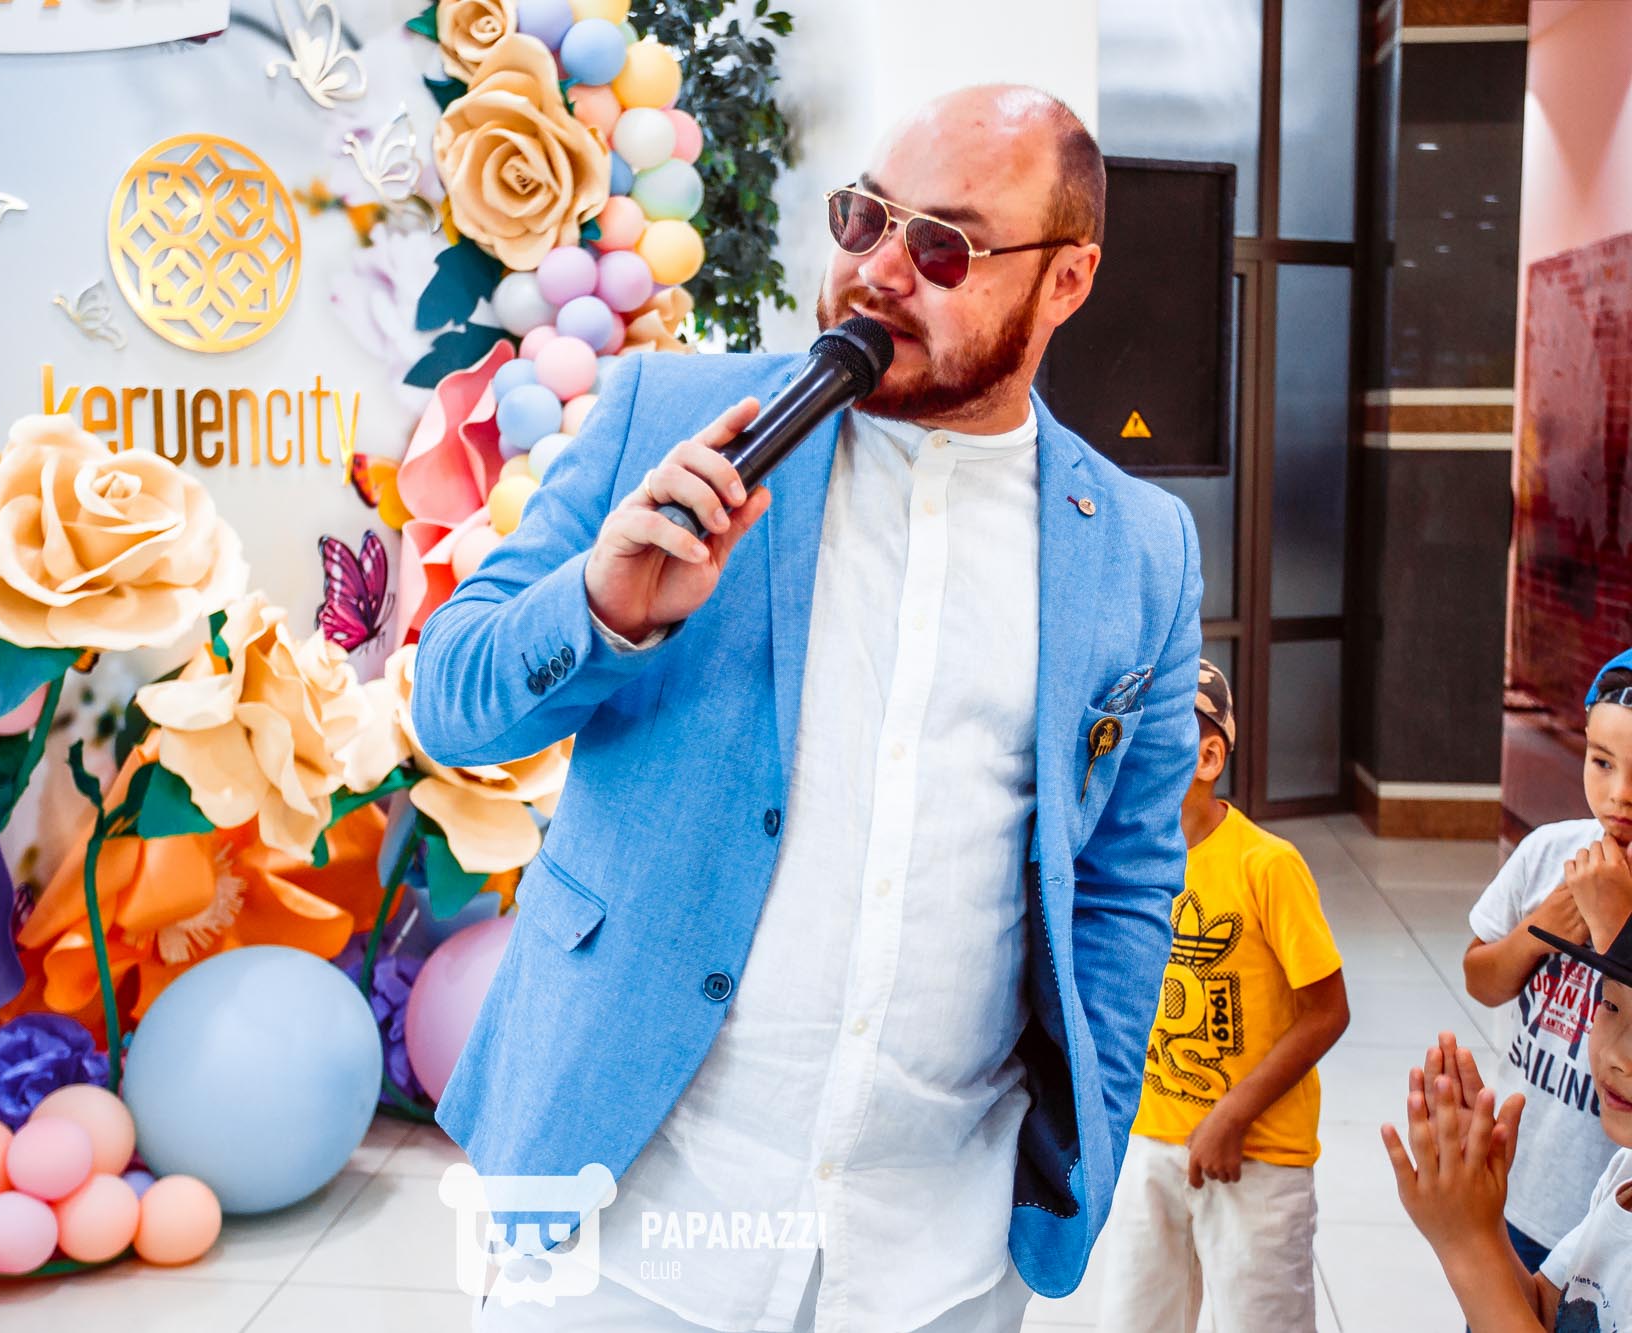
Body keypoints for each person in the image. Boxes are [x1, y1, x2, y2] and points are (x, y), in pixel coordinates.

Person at [412, 84, 1205, 1332]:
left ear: (1065, 281)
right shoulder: (668, 419)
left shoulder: (1140, 551)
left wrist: (1080, 1154)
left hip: (934, 1252)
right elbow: (452, 704)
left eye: (940, 248)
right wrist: (604, 606)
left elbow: (1123, 878)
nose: (877, 270)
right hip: (626, 1212)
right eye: (863, 218)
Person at [1097, 660, 1350, 1331]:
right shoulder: (1125, 860)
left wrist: (1232, 1116)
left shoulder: (1267, 865)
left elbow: (1328, 1012)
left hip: (1257, 1154)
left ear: (1208, 757)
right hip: (1147, 1140)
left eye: (1156, 741)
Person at [1458, 650, 1632, 1274]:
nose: (1620, 794)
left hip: (1613, 1215)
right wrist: (1539, 933)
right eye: (1602, 762)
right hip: (1521, 1186)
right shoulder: (1546, 853)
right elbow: (1480, 979)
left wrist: (1614, 925)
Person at [1385, 929, 1632, 1330]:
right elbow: (1548, 1311)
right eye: (1611, 1005)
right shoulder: (1624, 1172)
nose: (1617, 1054)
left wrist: (1465, 1244)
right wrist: (1480, 1221)